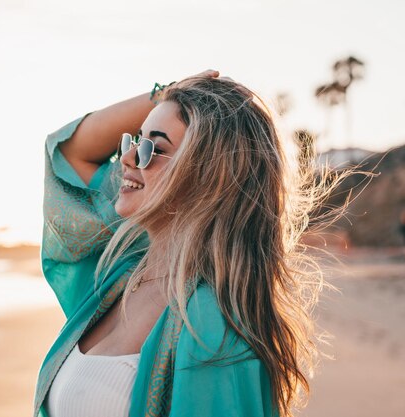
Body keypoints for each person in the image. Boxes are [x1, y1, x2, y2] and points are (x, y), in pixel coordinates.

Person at [33, 70, 346, 417]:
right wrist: (166, 96)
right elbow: (67, 153)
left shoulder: (213, 324)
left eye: (154, 147)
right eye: (134, 141)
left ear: (208, 177)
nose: (127, 158)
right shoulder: (119, 274)